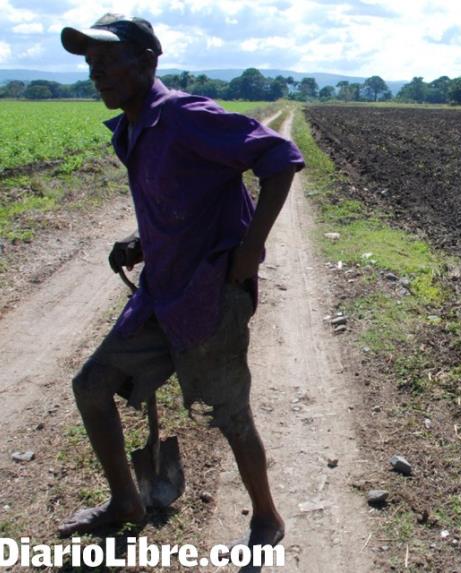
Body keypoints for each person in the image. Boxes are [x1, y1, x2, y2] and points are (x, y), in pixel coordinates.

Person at [58, 13, 303, 557]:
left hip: (209, 295)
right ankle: (126, 503)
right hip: (162, 292)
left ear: (147, 62)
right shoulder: (133, 126)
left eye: (108, 62)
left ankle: (267, 518)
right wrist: (140, 240)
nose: (97, 74)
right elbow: (184, 197)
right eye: (91, 65)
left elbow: (279, 159)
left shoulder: (183, 115)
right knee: (91, 386)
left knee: (228, 415)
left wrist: (251, 249)